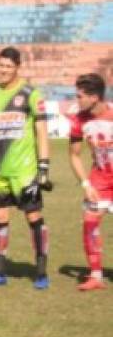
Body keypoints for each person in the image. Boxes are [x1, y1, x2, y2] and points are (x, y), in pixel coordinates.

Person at [0, 46, 53, 290]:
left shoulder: (31, 94)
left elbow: (41, 131)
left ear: (18, 67)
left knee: (34, 217)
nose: (4, 70)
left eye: (8, 66)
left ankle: (40, 272)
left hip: (25, 171)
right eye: (1, 65)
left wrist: (43, 166)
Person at [67, 73, 110, 291]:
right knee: (90, 222)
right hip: (99, 180)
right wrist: (86, 184)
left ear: (94, 97)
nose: (77, 100)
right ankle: (95, 275)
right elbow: (74, 155)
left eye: (80, 96)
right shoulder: (78, 120)